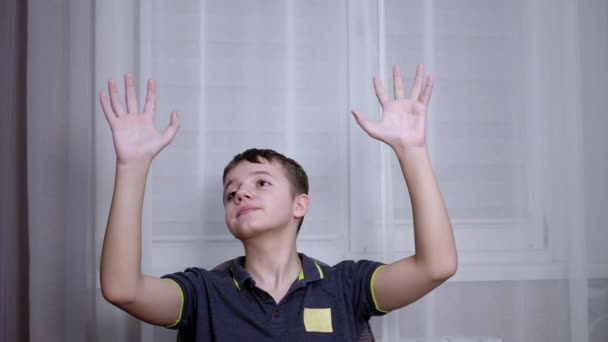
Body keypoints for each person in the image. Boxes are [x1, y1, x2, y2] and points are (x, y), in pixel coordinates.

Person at [99, 64, 458, 341]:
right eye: (230, 192)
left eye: (261, 182)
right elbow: (122, 290)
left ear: (299, 205)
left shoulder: (346, 286)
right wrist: (132, 166)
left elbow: (436, 266)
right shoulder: (203, 292)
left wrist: (412, 151)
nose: (241, 193)